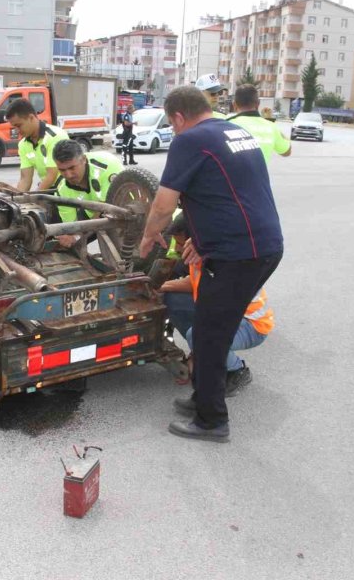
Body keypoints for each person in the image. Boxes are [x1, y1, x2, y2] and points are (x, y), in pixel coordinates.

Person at [139, 86, 283, 442]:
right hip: (262, 245)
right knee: (210, 326)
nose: (174, 132)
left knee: (210, 335)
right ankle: (202, 396)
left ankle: (211, 421)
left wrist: (147, 237)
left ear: (177, 118)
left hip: (239, 254)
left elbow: (162, 204)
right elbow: (229, 193)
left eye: (172, 127)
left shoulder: (190, 141)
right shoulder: (236, 131)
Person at [160, 214, 275, 397]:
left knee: (198, 334)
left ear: (194, 240)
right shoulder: (200, 253)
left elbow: (215, 304)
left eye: (182, 244)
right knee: (171, 298)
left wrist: (196, 355)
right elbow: (194, 282)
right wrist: (161, 287)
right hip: (225, 312)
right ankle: (204, 353)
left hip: (252, 325)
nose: (179, 250)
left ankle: (237, 370)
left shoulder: (220, 259)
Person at [50, 139, 122, 248]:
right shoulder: (62, 189)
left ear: (83, 159)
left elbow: (107, 208)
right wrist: (71, 237)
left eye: (72, 168)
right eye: (62, 170)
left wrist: (77, 236)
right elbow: (72, 226)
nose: (68, 175)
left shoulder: (106, 166)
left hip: (120, 207)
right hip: (92, 215)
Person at [6, 98, 69, 192]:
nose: (17, 131)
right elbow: (25, 179)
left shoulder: (55, 136)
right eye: (14, 127)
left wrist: (35, 197)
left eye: (19, 126)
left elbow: (52, 175)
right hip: (47, 190)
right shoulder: (23, 145)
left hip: (67, 189)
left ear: (31, 118)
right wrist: (17, 199)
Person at [226, 84, 291, 163]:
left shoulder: (226, 125)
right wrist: (269, 122)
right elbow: (286, 151)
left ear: (234, 104)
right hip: (260, 175)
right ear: (258, 104)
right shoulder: (271, 127)